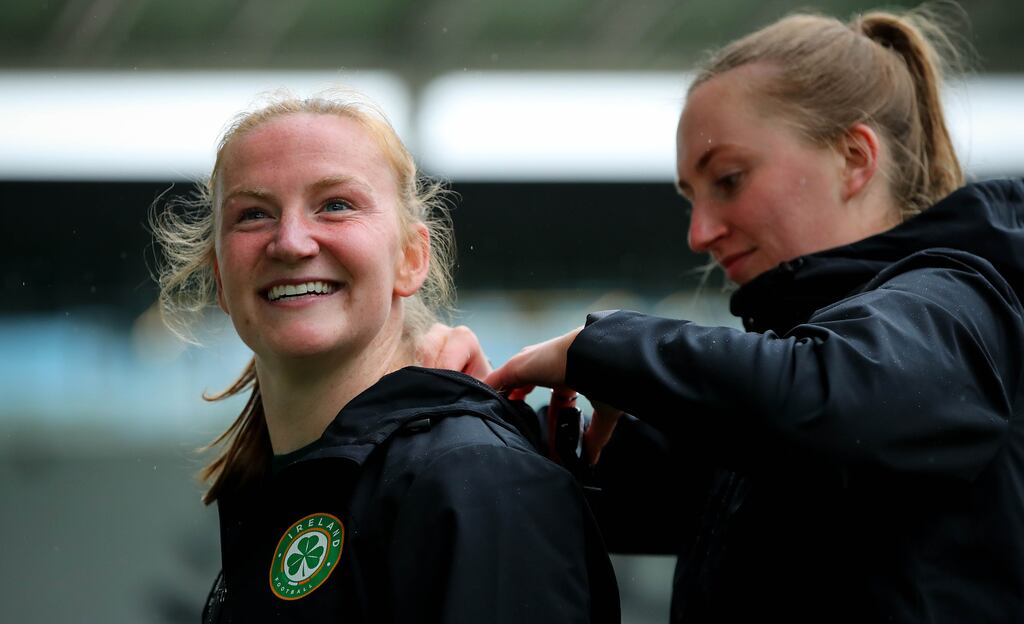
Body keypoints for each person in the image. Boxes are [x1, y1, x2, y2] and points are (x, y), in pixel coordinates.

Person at [432, 7, 1024, 623]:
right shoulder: (764, 405)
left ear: (854, 158)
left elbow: (837, 399)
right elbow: (588, 486)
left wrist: (603, 350)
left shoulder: (962, 298)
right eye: (692, 197)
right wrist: (460, 404)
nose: (699, 234)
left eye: (730, 180)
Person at [151, 92, 618, 623]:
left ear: (411, 258)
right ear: (220, 277)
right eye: (253, 214)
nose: (291, 242)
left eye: (335, 205)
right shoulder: (278, 490)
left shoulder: (474, 476)